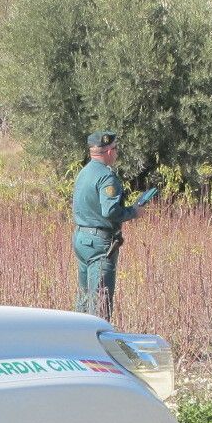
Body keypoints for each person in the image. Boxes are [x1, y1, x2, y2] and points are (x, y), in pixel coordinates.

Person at [70, 130, 151, 320]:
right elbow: (110, 211)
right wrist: (134, 212)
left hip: (81, 239)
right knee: (100, 304)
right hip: (100, 244)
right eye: (115, 149)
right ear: (108, 151)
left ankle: (76, 342)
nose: (116, 153)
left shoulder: (84, 172)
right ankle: (95, 346)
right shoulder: (107, 177)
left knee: (84, 298)